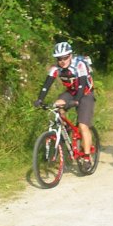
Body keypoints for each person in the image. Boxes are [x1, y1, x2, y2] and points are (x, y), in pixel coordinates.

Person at [33, 41, 95, 169]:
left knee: (83, 126)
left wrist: (77, 100)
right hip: (71, 92)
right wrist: (40, 99)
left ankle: (87, 157)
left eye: (65, 57)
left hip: (85, 93)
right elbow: (46, 85)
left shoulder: (80, 65)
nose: (62, 61)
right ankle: (65, 128)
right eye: (59, 58)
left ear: (70, 55)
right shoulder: (56, 68)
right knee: (57, 105)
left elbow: (82, 84)